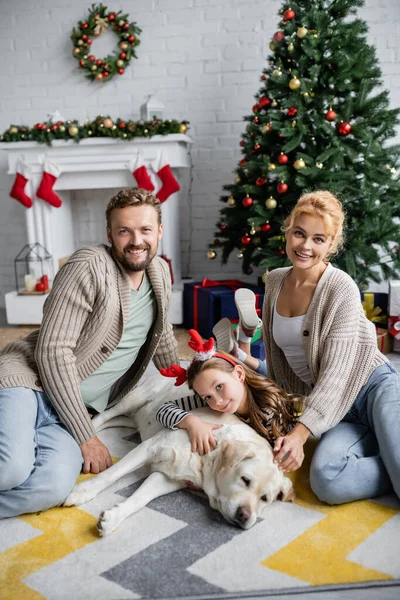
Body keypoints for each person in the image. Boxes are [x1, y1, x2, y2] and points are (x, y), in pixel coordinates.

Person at [0, 187, 179, 518]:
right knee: (10, 469)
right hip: (28, 385)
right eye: (124, 230)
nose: (136, 240)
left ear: (159, 232)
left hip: (70, 413)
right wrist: (87, 438)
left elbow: (163, 334)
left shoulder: (160, 274)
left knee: (50, 487)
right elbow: (53, 352)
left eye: (145, 230)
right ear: (109, 233)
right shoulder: (89, 266)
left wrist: (190, 381)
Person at [227, 190, 399, 505]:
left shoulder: (340, 288)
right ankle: (389, 453)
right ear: (288, 231)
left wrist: (301, 431)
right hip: (339, 413)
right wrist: (249, 365)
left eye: (319, 239)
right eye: (299, 234)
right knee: (328, 480)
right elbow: (286, 366)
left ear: (331, 245)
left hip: (374, 388)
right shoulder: (276, 282)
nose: (305, 246)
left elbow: (335, 374)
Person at [156, 330, 304, 456]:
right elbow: (163, 410)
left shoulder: (268, 409)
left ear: (239, 374)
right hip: (246, 381)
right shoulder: (216, 399)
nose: (217, 401)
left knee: (269, 373)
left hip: (293, 395)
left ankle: (241, 348)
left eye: (219, 386)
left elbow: (274, 454)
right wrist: (191, 422)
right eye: (207, 397)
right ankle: (239, 349)